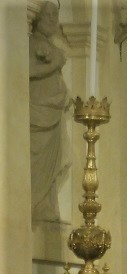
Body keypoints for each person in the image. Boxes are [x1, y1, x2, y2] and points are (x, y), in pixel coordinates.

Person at [30, 1, 69, 223]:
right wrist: (55, 64)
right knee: (37, 162)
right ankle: (35, 205)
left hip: (53, 112)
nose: (53, 20)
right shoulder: (30, 42)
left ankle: (45, 205)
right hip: (37, 113)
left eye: (56, 16)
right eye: (49, 16)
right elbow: (27, 70)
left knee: (51, 165)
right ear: (37, 17)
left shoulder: (52, 47)